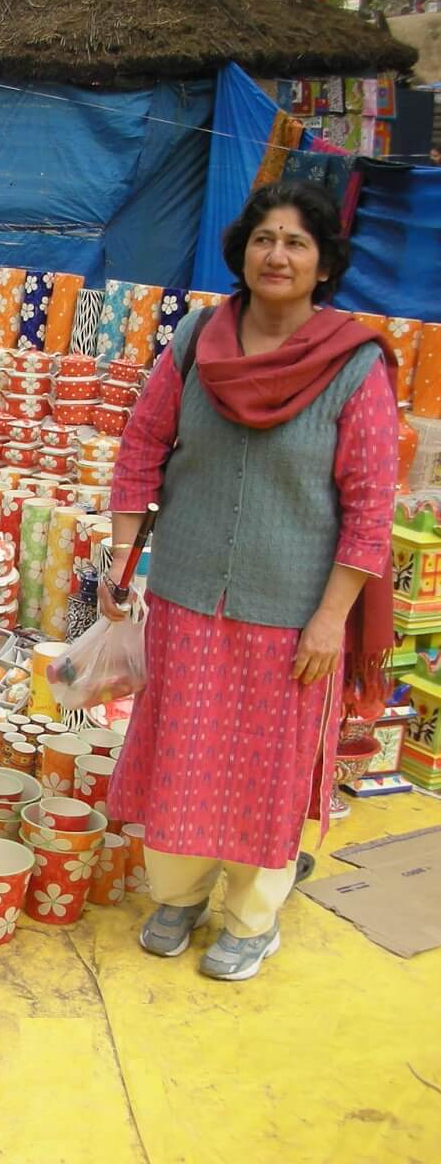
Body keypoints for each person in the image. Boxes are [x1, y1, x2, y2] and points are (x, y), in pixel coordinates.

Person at [103, 180, 398, 982]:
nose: (277, 255)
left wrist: (330, 619)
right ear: (242, 251)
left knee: (268, 770)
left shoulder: (353, 364)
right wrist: (122, 560)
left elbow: (370, 506)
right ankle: (178, 896)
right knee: (183, 750)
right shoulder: (198, 341)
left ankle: (251, 919)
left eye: (297, 242)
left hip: (293, 609)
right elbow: (143, 447)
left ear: (324, 264)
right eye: (265, 238)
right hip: (188, 592)